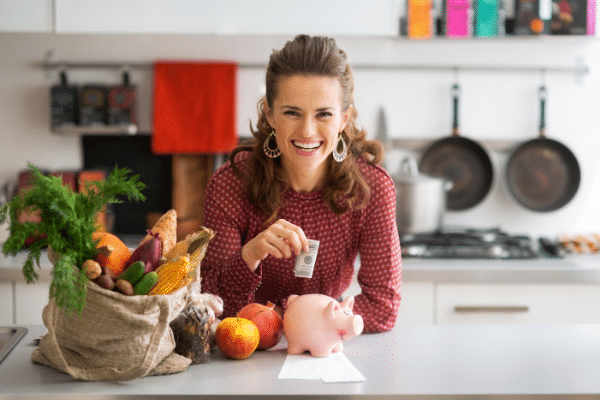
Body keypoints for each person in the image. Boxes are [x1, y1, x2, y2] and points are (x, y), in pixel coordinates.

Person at [200, 34, 401, 333]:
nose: (307, 131)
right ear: (269, 113)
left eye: (324, 114)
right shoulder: (230, 184)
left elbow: (383, 307)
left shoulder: (371, 188)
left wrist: (297, 320)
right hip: (247, 347)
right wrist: (250, 254)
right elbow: (210, 302)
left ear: (343, 119)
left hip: (328, 345)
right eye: (292, 112)